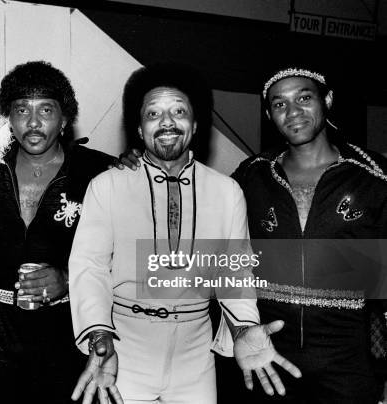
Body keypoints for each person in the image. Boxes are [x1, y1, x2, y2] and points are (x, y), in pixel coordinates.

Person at [68, 63, 301, 404]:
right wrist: (99, 334)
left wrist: (243, 329)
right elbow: (90, 267)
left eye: (179, 111)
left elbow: (234, 273)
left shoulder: (227, 191)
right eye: (153, 113)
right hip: (124, 350)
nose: (166, 122)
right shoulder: (107, 186)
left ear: (195, 125)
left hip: (196, 356)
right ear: (139, 127)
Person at [0, 60, 114, 404]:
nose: (33, 123)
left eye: (46, 110)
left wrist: (68, 279)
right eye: (22, 109)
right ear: (9, 117)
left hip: (65, 333)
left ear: (65, 120)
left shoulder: (97, 172)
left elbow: (128, 255)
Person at [231, 66, 387, 403]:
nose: (293, 112)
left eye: (304, 98)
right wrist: (138, 165)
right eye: (280, 104)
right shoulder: (251, 174)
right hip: (267, 356)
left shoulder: (375, 176)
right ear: (269, 114)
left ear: (327, 100)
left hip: (349, 363)